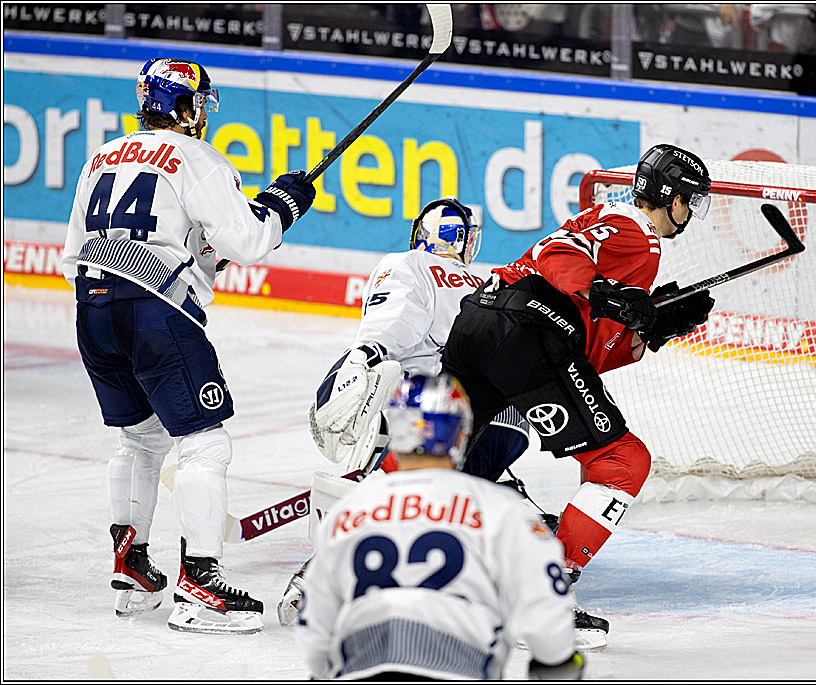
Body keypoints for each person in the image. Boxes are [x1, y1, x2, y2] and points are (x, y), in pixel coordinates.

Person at [62, 57, 316, 634]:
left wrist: (194, 256)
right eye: (197, 102)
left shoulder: (100, 156)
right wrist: (282, 205)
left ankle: (133, 568)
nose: (200, 113)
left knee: (140, 438)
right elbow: (249, 241)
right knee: (205, 444)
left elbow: (89, 245)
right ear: (183, 106)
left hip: (92, 306)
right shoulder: (196, 156)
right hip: (155, 315)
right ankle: (201, 585)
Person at [441, 144, 717, 645]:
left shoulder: (615, 226)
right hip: (527, 331)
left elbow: (588, 351)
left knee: (433, 449)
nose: (690, 213)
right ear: (669, 195)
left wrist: (651, 327)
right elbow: (556, 255)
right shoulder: (635, 230)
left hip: (482, 322)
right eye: (689, 201)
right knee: (622, 461)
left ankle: (328, 569)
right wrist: (602, 292)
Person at [279, 197, 530, 625]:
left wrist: (367, 352)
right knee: (488, 495)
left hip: (435, 410)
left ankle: (318, 579)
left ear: (422, 235)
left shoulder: (408, 264)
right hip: (508, 418)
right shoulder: (491, 279)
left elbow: (391, 323)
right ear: (464, 239)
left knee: (401, 495)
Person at [296, 374, 584, 680]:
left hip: (360, 669)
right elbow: (546, 607)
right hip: (459, 668)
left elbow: (315, 624)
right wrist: (557, 664)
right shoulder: (501, 509)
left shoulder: (348, 511)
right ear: (460, 435)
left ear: (395, 430)